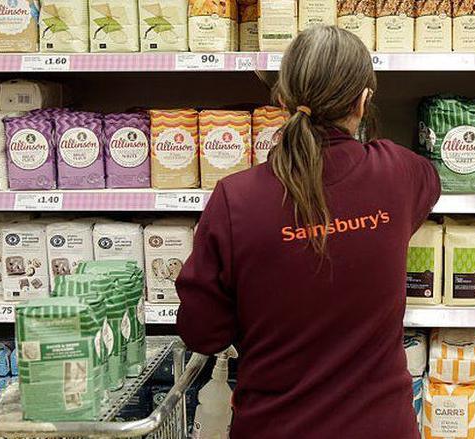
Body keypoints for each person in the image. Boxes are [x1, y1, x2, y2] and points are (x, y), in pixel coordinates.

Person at [175, 25, 440, 439]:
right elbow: (429, 182)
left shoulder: (235, 199)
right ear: (364, 100)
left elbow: (203, 332)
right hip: (381, 427)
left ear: (282, 99)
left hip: (275, 426)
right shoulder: (399, 174)